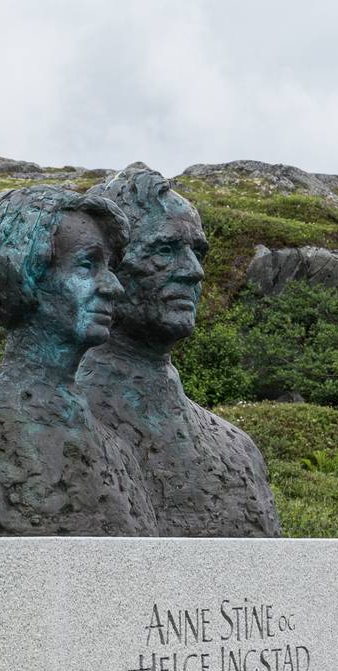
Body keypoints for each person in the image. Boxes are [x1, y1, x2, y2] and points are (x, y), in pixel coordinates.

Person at [0, 185, 157, 537]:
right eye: (87, 265)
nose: (113, 286)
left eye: (109, 267)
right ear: (23, 274)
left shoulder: (116, 449)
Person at [78, 164, 282, 537]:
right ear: (106, 267)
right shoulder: (50, 432)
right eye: (166, 250)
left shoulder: (239, 452)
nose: (194, 271)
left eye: (197, 252)